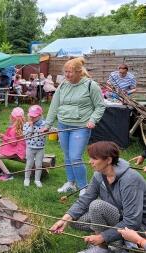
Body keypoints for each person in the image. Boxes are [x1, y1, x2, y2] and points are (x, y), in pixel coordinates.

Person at [50, 141, 146, 253]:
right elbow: (85, 200)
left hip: (138, 227)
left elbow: (132, 221)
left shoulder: (130, 180)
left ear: (109, 160)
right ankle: (113, 242)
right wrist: (64, 219)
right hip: (116, 216)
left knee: (97, 206)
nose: (90, 162)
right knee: (74, 220)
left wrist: (101, 237)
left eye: (94, 159)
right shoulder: (99, 174)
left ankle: (111, 247)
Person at [43, 57, 105, 195]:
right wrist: (48, 124)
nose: (67, 75)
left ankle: (84, 188)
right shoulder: (63, 85)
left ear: (79, 72)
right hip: (63, 124)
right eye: (65, 72)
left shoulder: (90, 85)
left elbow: (100, 106)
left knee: (75, 156)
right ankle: (70, 183)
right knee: (67, 156)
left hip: (81, 126)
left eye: (70, 72)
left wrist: (93, 120)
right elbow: (54, 105)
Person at [0, 107, 26, 181]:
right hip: (12, 147)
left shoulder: (15, 129)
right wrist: (4, 137)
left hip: (16, 150)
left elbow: (13, 143)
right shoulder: (16, 126)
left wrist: (3, 137)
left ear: (12, 117)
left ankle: (8, 174)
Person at [23, 105, 46, 188]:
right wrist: (31, 127)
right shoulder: (26, 124)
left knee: (39, 164)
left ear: (40, 116)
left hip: (40, 148)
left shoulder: (44, 124)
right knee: (29, 164)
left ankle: (37, 180)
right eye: (31, 116)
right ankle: (27, 178)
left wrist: (47, 130)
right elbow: (26, 136)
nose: (32, 118)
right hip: (30, 147)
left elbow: (46, 133)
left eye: (34, 116)